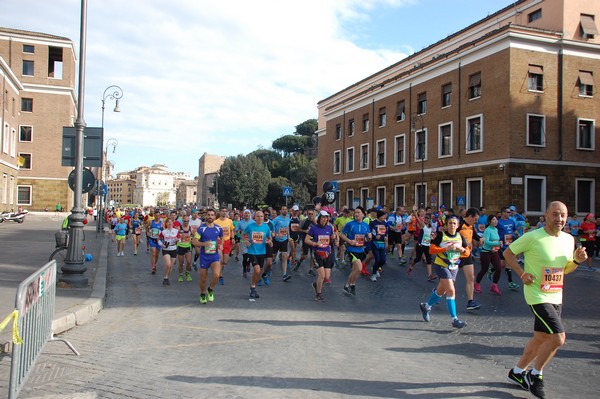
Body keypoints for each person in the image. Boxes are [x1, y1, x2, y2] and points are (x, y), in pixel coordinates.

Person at [504, 201, 588, 399]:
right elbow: (508, 253)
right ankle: (536, 374)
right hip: (536, 294)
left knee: (541, 337)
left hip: (555, 293)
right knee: (558, 338)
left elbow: (564, 269)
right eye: (555, 214)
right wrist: (522, 274)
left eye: (563, 215)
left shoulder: (569, 239)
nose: (559, 219)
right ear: (546, 215)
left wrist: (576, 261)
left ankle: (517, 372)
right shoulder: (533, 237)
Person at [419, 214, 470, 329]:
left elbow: (467, 253)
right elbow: (431, 249)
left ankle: (426, 306)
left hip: (454, 267)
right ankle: (454, 319)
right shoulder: (441, 236)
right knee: (451, 291)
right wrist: (445, 249)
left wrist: (462, 249)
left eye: (454, 223)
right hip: (441, 265)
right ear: (446, 225)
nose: (452, 225)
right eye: (450, 223)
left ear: (458, 225)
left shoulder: (460, 237)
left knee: (441, 291)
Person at [192, 209, 223, 304]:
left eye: (212, 215)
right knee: (203, 279)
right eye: (208, 215)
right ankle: (202, 293)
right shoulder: (201, 228)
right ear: (206, 216)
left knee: (217, 275)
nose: (210, 216)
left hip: (214, 256)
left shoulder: (218, 228)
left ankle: (210, 289)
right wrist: (204, 244)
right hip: (204, 257)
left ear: (215, 216)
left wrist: (221, 244)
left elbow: (222, 237)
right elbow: (194, 241)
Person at [339, 206, 371, 296]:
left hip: (361, 250)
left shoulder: (366, 225)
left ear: (363, 214)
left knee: (355, 270)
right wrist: (349, 241)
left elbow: (367, 238)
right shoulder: (350, 224)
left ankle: (347, 285)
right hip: (351, 249)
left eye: (358, 212)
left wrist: (369, 238)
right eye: (355, 212)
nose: (356, 214)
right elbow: (341, 234)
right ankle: (352, 285)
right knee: (359, 268)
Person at [305, 210, 337, 301]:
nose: (324, 219)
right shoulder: (314, 228)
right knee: (322, 275)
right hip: (317, 253)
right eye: (323, 217)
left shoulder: (329, 228)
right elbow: (306, 240)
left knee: (327, 277)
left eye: (326, 217)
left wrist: (334, 239)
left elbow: (331, 241)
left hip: (327, 253)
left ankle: (316, 284)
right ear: (319, 218)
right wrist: (315, 243)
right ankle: (318, 294)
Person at [243, 210, 272, 300]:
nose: (260, 218)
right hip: (252, 251)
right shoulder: (250, 226)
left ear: (264, 218)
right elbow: (243, 234)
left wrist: (270, 241)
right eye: (258, 216)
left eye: (261, 216)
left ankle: (253, 287)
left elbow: (269, 237)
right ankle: (253, 287)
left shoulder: (266, 227)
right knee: (257, 269)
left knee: (258, 272)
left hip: (262, 252)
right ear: (254, 217)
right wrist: (246, 241)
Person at [457, 207, 482, 310]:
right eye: (475, 219)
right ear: (470, 216)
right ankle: (437, 294)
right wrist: (463, 242)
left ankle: (470, 301)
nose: (476, 221)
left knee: (471, 278)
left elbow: (474, 235)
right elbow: (451, 235)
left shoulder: (471, 226)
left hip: (467, 255)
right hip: (456, 256)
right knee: (449, 280)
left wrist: (480, 239)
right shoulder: (459, 225)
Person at [475, 216, 503, 295]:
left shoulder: (496, 229)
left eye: (496, 219)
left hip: (494, 252)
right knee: (484, 269)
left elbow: (495, 240)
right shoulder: (487, 230)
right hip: (486, 252)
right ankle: (477, 283)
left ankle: (494, 286)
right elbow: (486, 242)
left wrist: (499, 243)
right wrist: (497, 243)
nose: (495, 221)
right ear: (489, 221)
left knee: (498, 268)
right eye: (493, 219)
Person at [269, 205, 292, 282]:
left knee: (284, 256)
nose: (285, 210)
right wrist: (274, 233)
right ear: (280, 211)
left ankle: (284, 274)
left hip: (284, 240)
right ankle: (268, 268)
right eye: (283, 209)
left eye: (286, 209)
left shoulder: (288, 219)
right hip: (276, 240)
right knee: (273, 257)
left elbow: (287, 228)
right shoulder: (276, 219)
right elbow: (271, 227)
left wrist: (288, 236)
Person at [214, 207, 235, 285]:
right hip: (219, 242)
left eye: (225, 211)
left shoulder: (230, 221)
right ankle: (220, 276)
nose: (224, 213)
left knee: (225, 261)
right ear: (220, 212)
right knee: (220, 259)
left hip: (227, 242)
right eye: (222, 211)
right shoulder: (216, 222)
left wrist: (232, 238)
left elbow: (232, 230)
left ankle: (220, 268)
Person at [158, 218, 180, 286]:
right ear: (166, 224)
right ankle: (165, 277)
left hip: (173, 249)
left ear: (173, 223)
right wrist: (162, 244)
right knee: (168, 264)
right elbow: (158, 239)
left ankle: (167, 277)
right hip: (166, 249)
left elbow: (180, 240)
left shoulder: (176, 231)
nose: (170, 224)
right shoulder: (164, 231)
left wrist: (177, 240)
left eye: (171, 222)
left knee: (171, 266)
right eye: (168, 223)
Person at [176, 215, 194, 282]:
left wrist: (192, 240)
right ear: (182, 221)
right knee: (181, 262)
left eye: (187, 221)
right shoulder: (178, 228)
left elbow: (195, 236)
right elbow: (174, 236)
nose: (186, 222)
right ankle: (180, 275)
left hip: (188, 247)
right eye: (185, 221)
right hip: (180, 246)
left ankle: (187, 273)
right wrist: (178, 239)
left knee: (189, 262)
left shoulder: (190, 228)